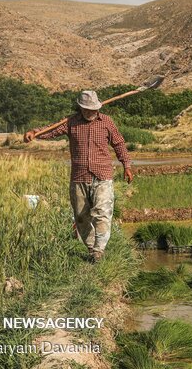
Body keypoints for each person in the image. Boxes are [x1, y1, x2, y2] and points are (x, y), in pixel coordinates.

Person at [24, 90, 133, 263]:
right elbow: (50, 130)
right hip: (79, 176)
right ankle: (91, 248)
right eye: (87, 109)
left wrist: (126, 165)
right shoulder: (70, 122)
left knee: (102, 213)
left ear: (98, 107)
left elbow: (119, 143)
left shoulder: (106, 122)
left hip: (102, 175)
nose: (91, 112)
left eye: (93, 109)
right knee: (81, 217)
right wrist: (34, 133)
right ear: (80, 108)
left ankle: (99, 251)